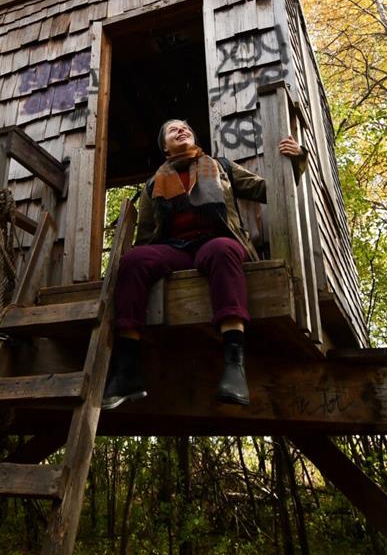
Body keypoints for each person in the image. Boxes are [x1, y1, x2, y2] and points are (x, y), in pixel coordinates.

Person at [101, 118, 304, 409]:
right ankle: (126, 371)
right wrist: (139, 274)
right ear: (165, 146)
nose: (181, 130)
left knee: (221, 250)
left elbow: (268, 190)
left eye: (185, 128)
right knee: (134, 260)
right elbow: (146, 234)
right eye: (172, 130)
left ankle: (235, 366)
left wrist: (296, 162)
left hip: (216, 241)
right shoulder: (152, 184)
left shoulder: (221, 166)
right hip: (175, 249)